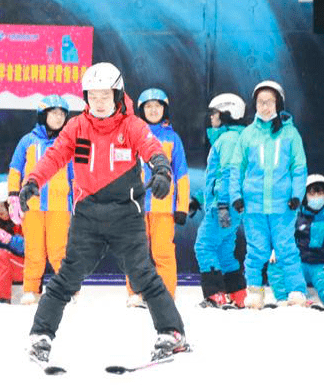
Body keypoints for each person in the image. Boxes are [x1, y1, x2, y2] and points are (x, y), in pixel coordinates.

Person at [20, 62, 187, 365]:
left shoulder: (131, 125)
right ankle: (40, 337)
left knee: (144, 276)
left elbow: (151, 148)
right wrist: (33, 181)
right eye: (93, 96)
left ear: (118, 95)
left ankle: (172, 334)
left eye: (105, 96)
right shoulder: (77, 125)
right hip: (87, 218)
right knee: (66, 277)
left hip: (126, 215)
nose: (98, 102)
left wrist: (162, 171)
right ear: (86, 97)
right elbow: (55, 155)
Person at [229, 80, 308, 309]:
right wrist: (236, 196)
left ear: (279, 104)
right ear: (255, 105)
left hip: (283, 206)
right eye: (261, 102)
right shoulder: (247, 135)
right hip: (253, 206)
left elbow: (299, 167)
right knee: (256, 251)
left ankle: (296, 291)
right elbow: (236, 168)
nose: (265, 107)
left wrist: (296, 195)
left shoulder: (290, 134)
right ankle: (254, 292)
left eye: (270, 102)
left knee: (286, 249)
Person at [125, 88, 189, 308]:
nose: (153, 110)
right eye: (148, 106)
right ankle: (135, 293)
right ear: (141, 110)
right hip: (136, 206)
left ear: (165, 109)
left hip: (163, 207)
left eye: (158, 106)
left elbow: (182, 175)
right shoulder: (133, 136)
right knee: (136, 251)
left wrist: (182, 206)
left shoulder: (172, 139)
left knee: (163, 252)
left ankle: (165, 296)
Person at [7, 94, 73, 305]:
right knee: (33, 249)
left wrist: (78, 201)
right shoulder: (27, 141)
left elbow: (76, 175)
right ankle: (31, 290)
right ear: (43, 114)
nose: (58, 117)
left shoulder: (68, 144)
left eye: (62, 113)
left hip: (59, 207)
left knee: (58, 250)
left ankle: (66, 290)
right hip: (32, 206)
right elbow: (15, 170)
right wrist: (13, 197)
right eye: (54, 112)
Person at [267, 174, 324, 307]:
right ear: (305, 196)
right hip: (297, 263)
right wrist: (277, 249)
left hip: (323, 265)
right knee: (276, 264)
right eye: (311, 192)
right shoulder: (295, 215)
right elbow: (283, 234)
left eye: (319, 192)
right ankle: (285, 299)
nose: (315, 196)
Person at [194, 93, 247, 308]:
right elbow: (215, 178)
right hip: (229, 207)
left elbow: (227, 174)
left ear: (227, 113)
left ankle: (215, 293)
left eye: (215, 114)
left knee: (204, 246)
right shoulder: (237, 138)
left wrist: (222, 203)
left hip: (224, 206)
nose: (212, 119)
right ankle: (238, 293)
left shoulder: (228, 139)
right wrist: (199, 199)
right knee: (225, 248)